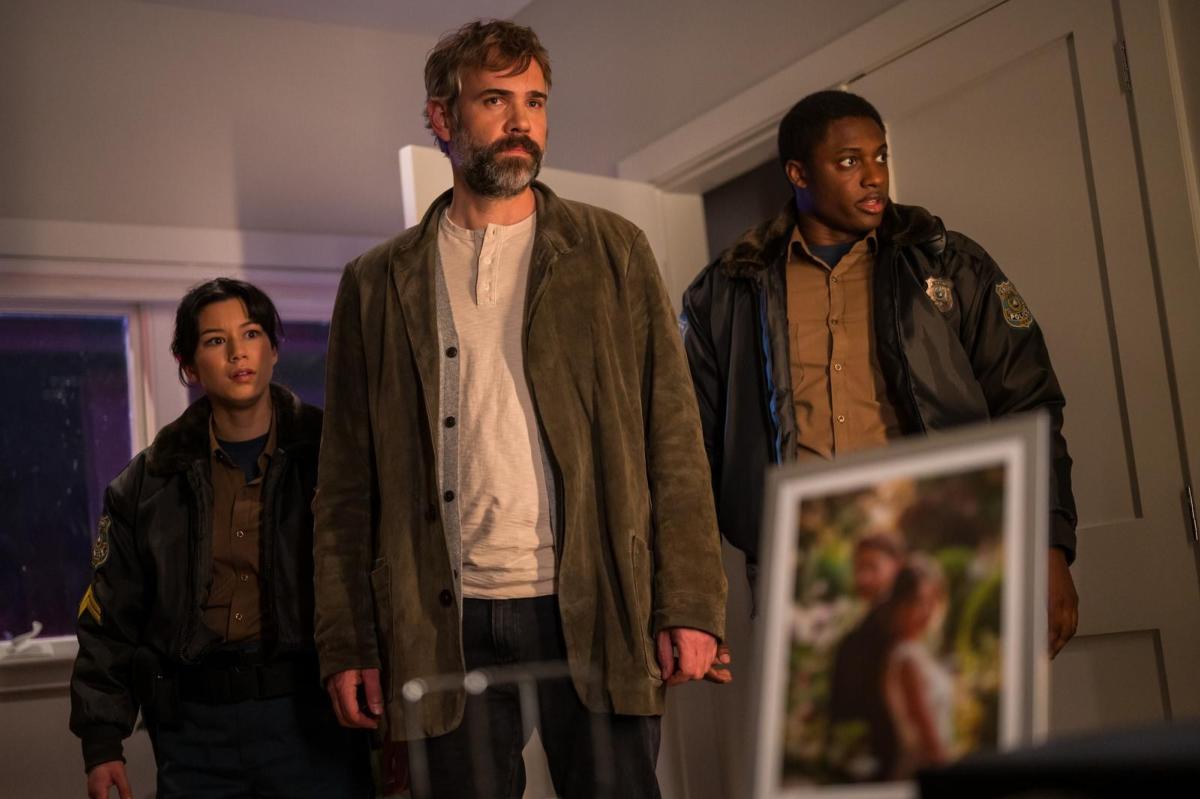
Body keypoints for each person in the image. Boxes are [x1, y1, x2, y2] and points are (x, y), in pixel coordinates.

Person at [312, 19, 728, 799]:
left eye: (534, 102)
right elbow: (343, 486)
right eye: (495, 100)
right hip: (441, 621)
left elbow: (674, 441)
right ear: (442, 117)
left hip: (596, 603)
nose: (520, 122)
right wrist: (347, 642)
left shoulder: (613, 251)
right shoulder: (376, 282)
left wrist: (692, 601)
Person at [681, 89, 1078, 658]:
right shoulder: (727, 290)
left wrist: (1049, 544)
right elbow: (689, 451)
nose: (874, 175)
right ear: (798, 174)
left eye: (880, 156)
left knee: (951, 713)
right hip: (801, 569)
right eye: (849, 161)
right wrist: (692, 602)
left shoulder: (948, 265)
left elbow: (1028, 403)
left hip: (944, 550)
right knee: (828, 718)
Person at [69, 279, 371, 799]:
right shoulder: (147, 484)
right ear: (188, 365)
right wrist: (102, 743)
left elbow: (375, 587)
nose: (237, 353)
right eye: (215, 340)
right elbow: (110, 620)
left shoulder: (332, 458)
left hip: (311, 719)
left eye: (251, 334)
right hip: (194, 731)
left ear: (273, 350)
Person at [827, 533, 906, 780]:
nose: (863, 578)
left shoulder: (894, 627)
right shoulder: (864, 628)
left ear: (898, 567)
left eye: (872, 567)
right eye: (859, 568)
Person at [882, 557, 954, 778]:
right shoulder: (907, 659)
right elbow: (929, 739)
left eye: (932, 601)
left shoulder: (918, 652)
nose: (926, 610)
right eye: (917, 601)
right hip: (923, 773)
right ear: (900, 604)